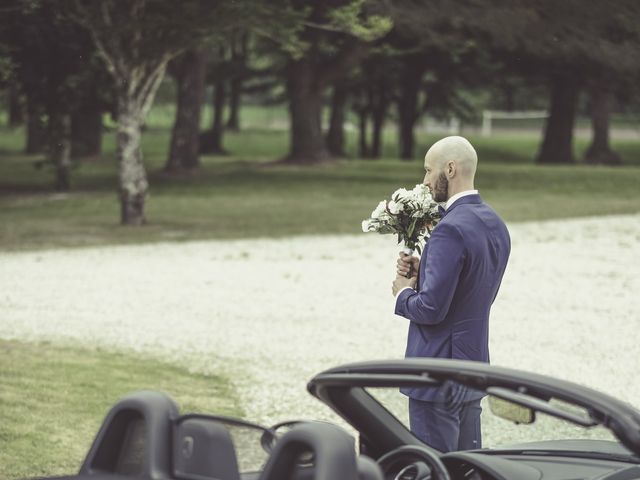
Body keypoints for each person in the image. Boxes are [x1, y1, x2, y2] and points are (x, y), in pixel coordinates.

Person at [392, 136, 511, 452]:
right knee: (468, 467)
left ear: (450, 168)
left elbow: (431, 309)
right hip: (473, 366)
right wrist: (426, 271)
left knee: (438, 467)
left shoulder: (449, 228)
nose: (425, 181)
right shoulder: (494, 222)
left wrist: (403, 293)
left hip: (438, 372)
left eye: (428, 171)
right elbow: (469, 290)